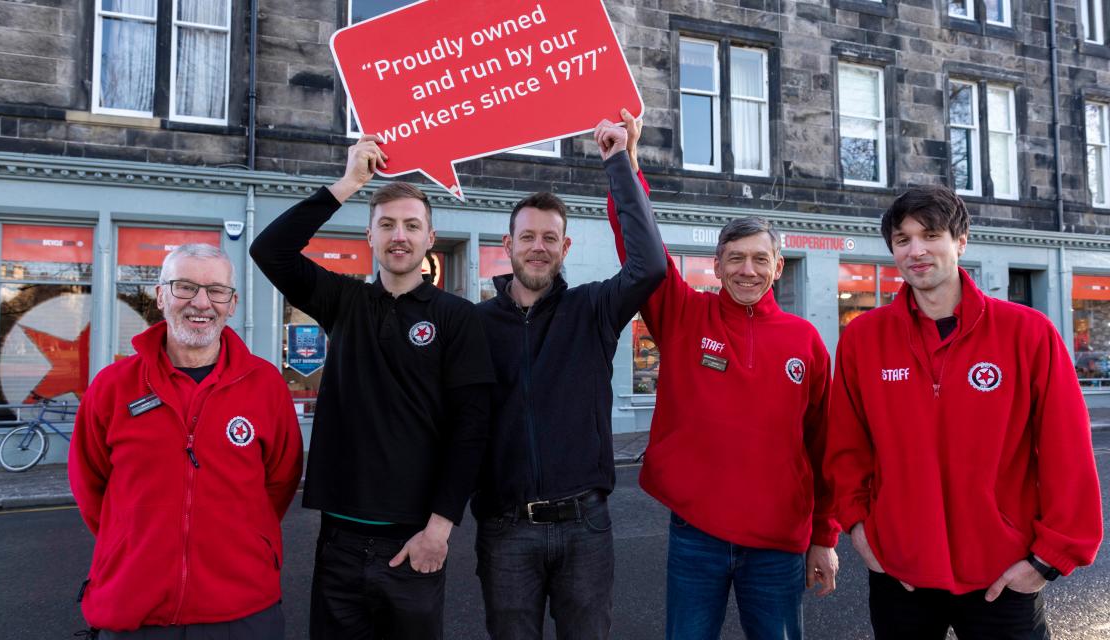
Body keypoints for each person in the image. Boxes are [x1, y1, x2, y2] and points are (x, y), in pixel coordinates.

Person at [825, 185, 1104, 640]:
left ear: (960, 240)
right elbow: (847, 445)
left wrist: (1049, 560)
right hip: (901, 573)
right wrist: (859, 529)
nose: (916, 250)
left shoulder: (1027, 333)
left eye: (930, 234)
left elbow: (1066, 451)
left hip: (1003, 574)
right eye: (902, 239)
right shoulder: (863, 339)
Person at [605, 112, 839, 640]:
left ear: (779, 267)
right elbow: (641, 246)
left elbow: (824, 447)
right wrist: (626, 161)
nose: (747, 270)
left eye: (760, 259)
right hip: (697, 535)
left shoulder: (804, 340)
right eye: (735, 259)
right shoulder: (685, 315)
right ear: (717, 265)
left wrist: (824, 536)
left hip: (780, 543)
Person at [250, 138, 495, 640]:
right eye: (386, 225)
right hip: (338, 538)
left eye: (410, 225)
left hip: (413, 540)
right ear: (369, 235)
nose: (398, 236)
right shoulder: (343, 301)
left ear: (430, 237)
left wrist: (439, 531)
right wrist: (349, 183)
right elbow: (268, 249)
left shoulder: (457, 317)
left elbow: (472, 428)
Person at [472, 118, 666, 639]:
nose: (539, 247)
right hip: (506, 527)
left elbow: (649, 266)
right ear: (507, 244)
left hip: (585, 525)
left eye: (550, 238)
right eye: (528, 236)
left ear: (566, 247)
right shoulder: (476, 324)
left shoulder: (592, 310)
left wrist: (618, 161)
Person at [69, 244, 303, 638]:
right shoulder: (112, 387)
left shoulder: (266, 386)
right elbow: (90, 486)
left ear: (232, 303)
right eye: (184, 286)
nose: (201, 303)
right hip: (133, 608)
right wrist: (130, 540)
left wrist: (247, 539)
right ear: (161, 296)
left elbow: (280, 483)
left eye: (216, 290)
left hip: (242, 610)